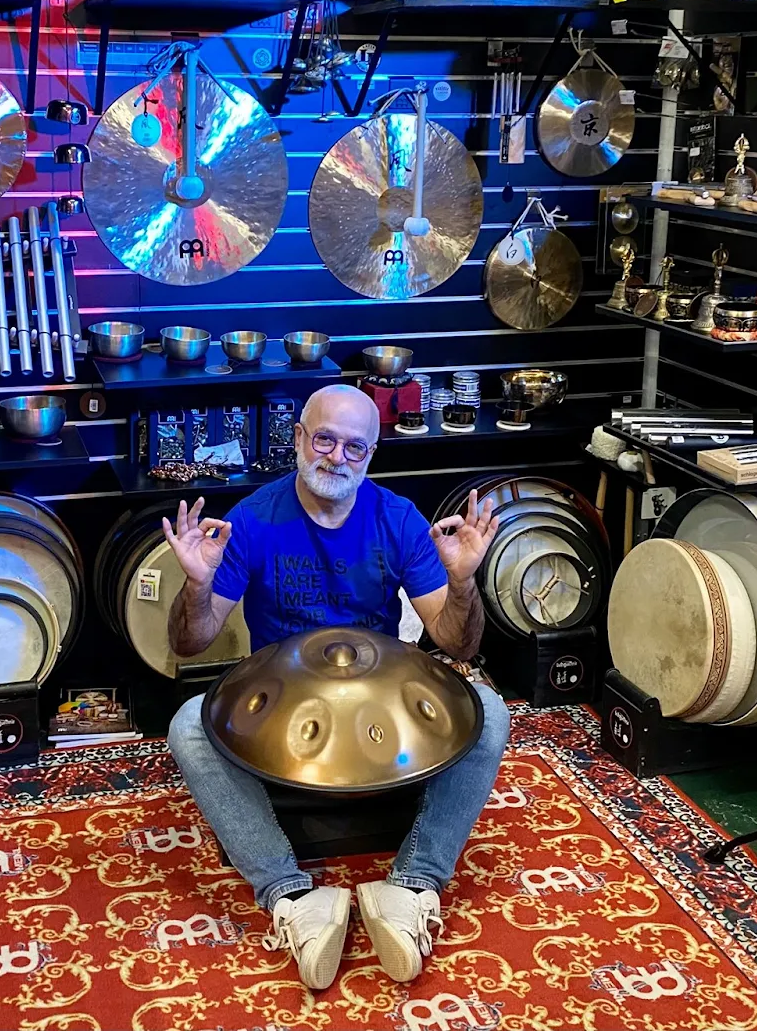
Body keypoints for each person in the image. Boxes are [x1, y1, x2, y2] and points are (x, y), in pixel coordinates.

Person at [163, 384, 508, 991]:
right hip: (284, 717)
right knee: (191, 723)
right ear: (299, 439)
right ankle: (292, 898)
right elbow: (190, 642)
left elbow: (458, 644)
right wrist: (197, 584)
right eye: (324, 438)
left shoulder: (396, 517)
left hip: (376, 711)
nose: (336, 457)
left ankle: (411, 887)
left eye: (355, 447)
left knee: (490, 712)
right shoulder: (252, 520)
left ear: (371, 454)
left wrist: (460, 583)